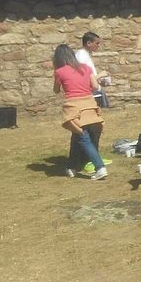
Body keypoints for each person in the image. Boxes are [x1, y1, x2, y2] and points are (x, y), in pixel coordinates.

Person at [52, 44, 107, 180]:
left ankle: (100, 167)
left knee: (82, 136)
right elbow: (95, 86)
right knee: (77, 136)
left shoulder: (60, 71)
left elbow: (56, 90)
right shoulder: (86, 68)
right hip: (90, 104)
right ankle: (72, 167)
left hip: (74, 107)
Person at [76, 32, 111, 108]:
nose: (98, 46)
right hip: (88, 95)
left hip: (93, 92)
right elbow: (83, 80)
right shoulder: (81, 56)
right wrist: (100, 75)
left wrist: (99, 80)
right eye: (97, 43)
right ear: (88, 43)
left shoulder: (86, 55)